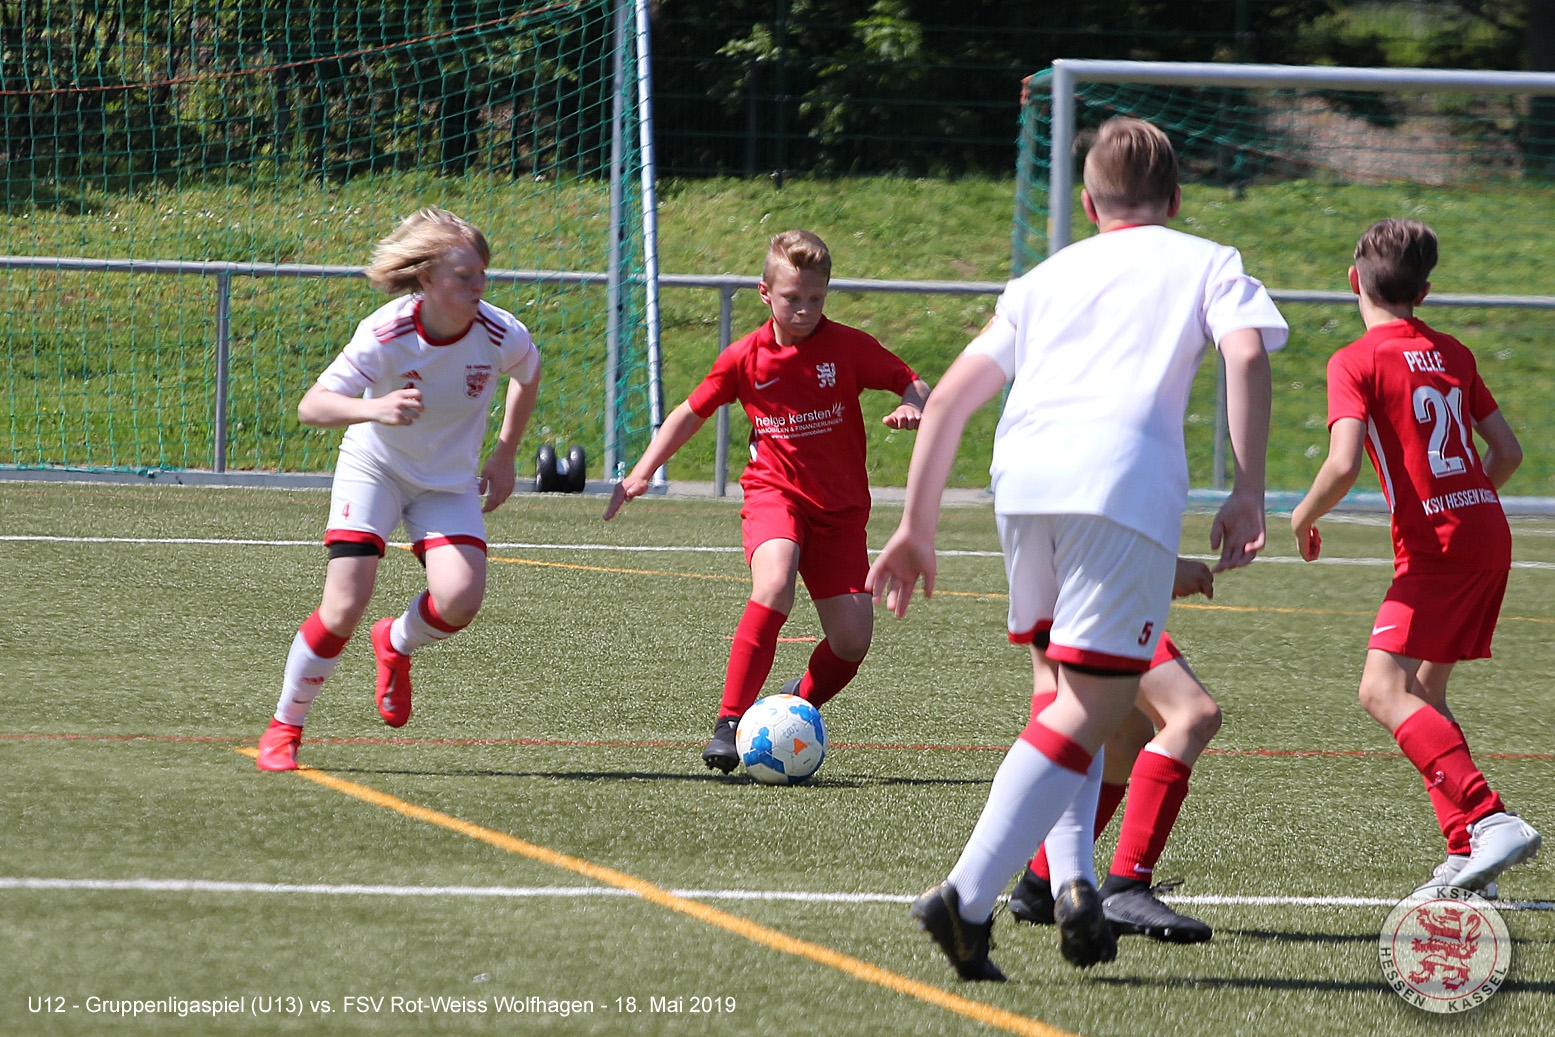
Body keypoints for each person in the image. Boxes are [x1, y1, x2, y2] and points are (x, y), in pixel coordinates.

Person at [867, 117, 1285, 980]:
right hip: (1117, 484)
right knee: (1095, 702)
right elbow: (1245, 352)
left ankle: (1072, 883)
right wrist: (1247, 486)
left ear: (1088, 205)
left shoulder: (1042, 277)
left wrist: (914, 525)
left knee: (1061, 692)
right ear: (1175, 199)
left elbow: (950, 398)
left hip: (1022, 481)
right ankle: (965, 897)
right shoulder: (1208, 261)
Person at [604, 229, 930, 772]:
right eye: (792, 298)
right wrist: (641, 472)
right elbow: (690, 412)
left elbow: (912, 381)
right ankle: (730, 722)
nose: (804, 310)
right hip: (774, 493)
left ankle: (794, 704)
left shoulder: (848, 348)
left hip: (841, 512)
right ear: (765, 293)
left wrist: (913, 405)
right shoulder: (745, 358)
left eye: (815, 298)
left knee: (852, 641)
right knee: (775, 583)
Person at [1291, 218, 1539, 895]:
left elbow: (1342, 463)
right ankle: (1466, 852)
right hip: (1486, 532)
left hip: (1438, 548)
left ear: (1353, 280)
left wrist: (1302, 515)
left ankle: (1490, 818)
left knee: (1380, 689)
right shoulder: (1453, 352)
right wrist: (1468, 501)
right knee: (1423, 693)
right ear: (1423, 292)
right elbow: (1507, 452)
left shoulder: (1354, 360)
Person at [255, 208, 542, 771]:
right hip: (376, 469)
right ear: (427, 279)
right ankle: (285, 726)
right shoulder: (386, 332)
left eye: (483, 273)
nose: (479, 286)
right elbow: (312, 406)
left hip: (447, 482)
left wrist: (506, 452)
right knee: (344, 605)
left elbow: (527, 376)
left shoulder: (501, 332)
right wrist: (376, 408)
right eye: (465, 275)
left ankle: (395, 642)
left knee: (460, 601)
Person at [1009, 560, 1220, 945]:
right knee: (1193, 716)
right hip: (1100, 594)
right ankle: (1127, 885)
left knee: (1125, 734)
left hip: (1077, 589)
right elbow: (1099, 527)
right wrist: (1162, 569)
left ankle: (1042, 882)